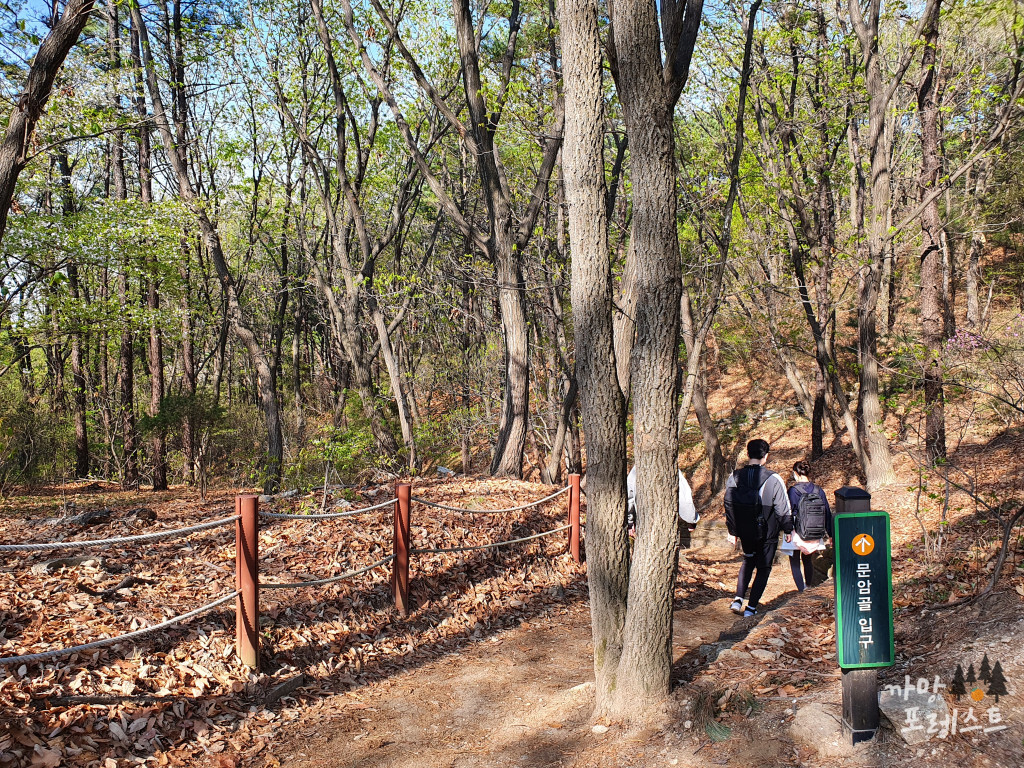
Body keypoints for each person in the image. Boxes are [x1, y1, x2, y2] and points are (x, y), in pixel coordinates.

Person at [724, 439, 793, 617]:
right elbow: (783, 508)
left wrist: (733, 530)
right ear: (766, 456)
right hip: (767, 532)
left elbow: (728, 504)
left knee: (748, 560)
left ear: (748, 454)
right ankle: (751, 608)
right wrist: (788, 529)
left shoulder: (735, 476)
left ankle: (738, 599)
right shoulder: (773, 478)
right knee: (763, 568)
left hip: (745, 530)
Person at [785, 460, 833, 591]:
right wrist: (830, 534)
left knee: (794, 561)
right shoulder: (818, 490)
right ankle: (809, 586)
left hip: (797, 530)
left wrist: (787, 529)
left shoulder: (793, 491)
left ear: (796, 473)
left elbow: (789, 511)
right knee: (807, 559)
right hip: (814, 530)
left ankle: (802, 589)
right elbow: (826, 512)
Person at [626, 466, 700, 537]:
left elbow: (629, 497)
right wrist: (691, 519)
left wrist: (630, 522)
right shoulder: (670, 466)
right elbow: (684, 496)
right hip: (666, 522)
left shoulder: (636, 470)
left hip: (645, 523)